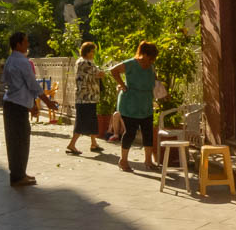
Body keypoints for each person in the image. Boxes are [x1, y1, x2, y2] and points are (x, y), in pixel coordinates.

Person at [110, 41, 162, 174]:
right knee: (131, 132)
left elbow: (155, 81)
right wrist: (123, 85)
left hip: (145, 103)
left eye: (153, 59)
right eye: (149, 58)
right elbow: (113, 71)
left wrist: (162, 94)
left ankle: (148, 161)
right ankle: (123, 161)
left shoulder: (151, 66)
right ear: (143, 54)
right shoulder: (131, 64)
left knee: (148, 132)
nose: (151, 61)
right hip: (130, 103)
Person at [0, 30, 42, 186]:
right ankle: (18, 176)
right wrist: (46, 101)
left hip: (13, 103)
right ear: (18, 44)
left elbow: (7, 81)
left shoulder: (10, 60)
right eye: (25, 42)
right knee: (20, 141)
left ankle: (19, 173)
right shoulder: (22, 62)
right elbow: (32, 85)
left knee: (15, 140)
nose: (28, 44)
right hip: (17, 105)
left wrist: (32, 105)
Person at [64, 41, 105, 156]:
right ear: (87, 52)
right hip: (86, 97)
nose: (93, 53)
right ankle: (72, 144)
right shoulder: (85, 63)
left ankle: (93, 143)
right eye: (92, 51)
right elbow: (99, 73)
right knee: (82, 122)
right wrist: (101, 73)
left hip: (88, 97)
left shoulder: (82, 62)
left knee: (91, 120)